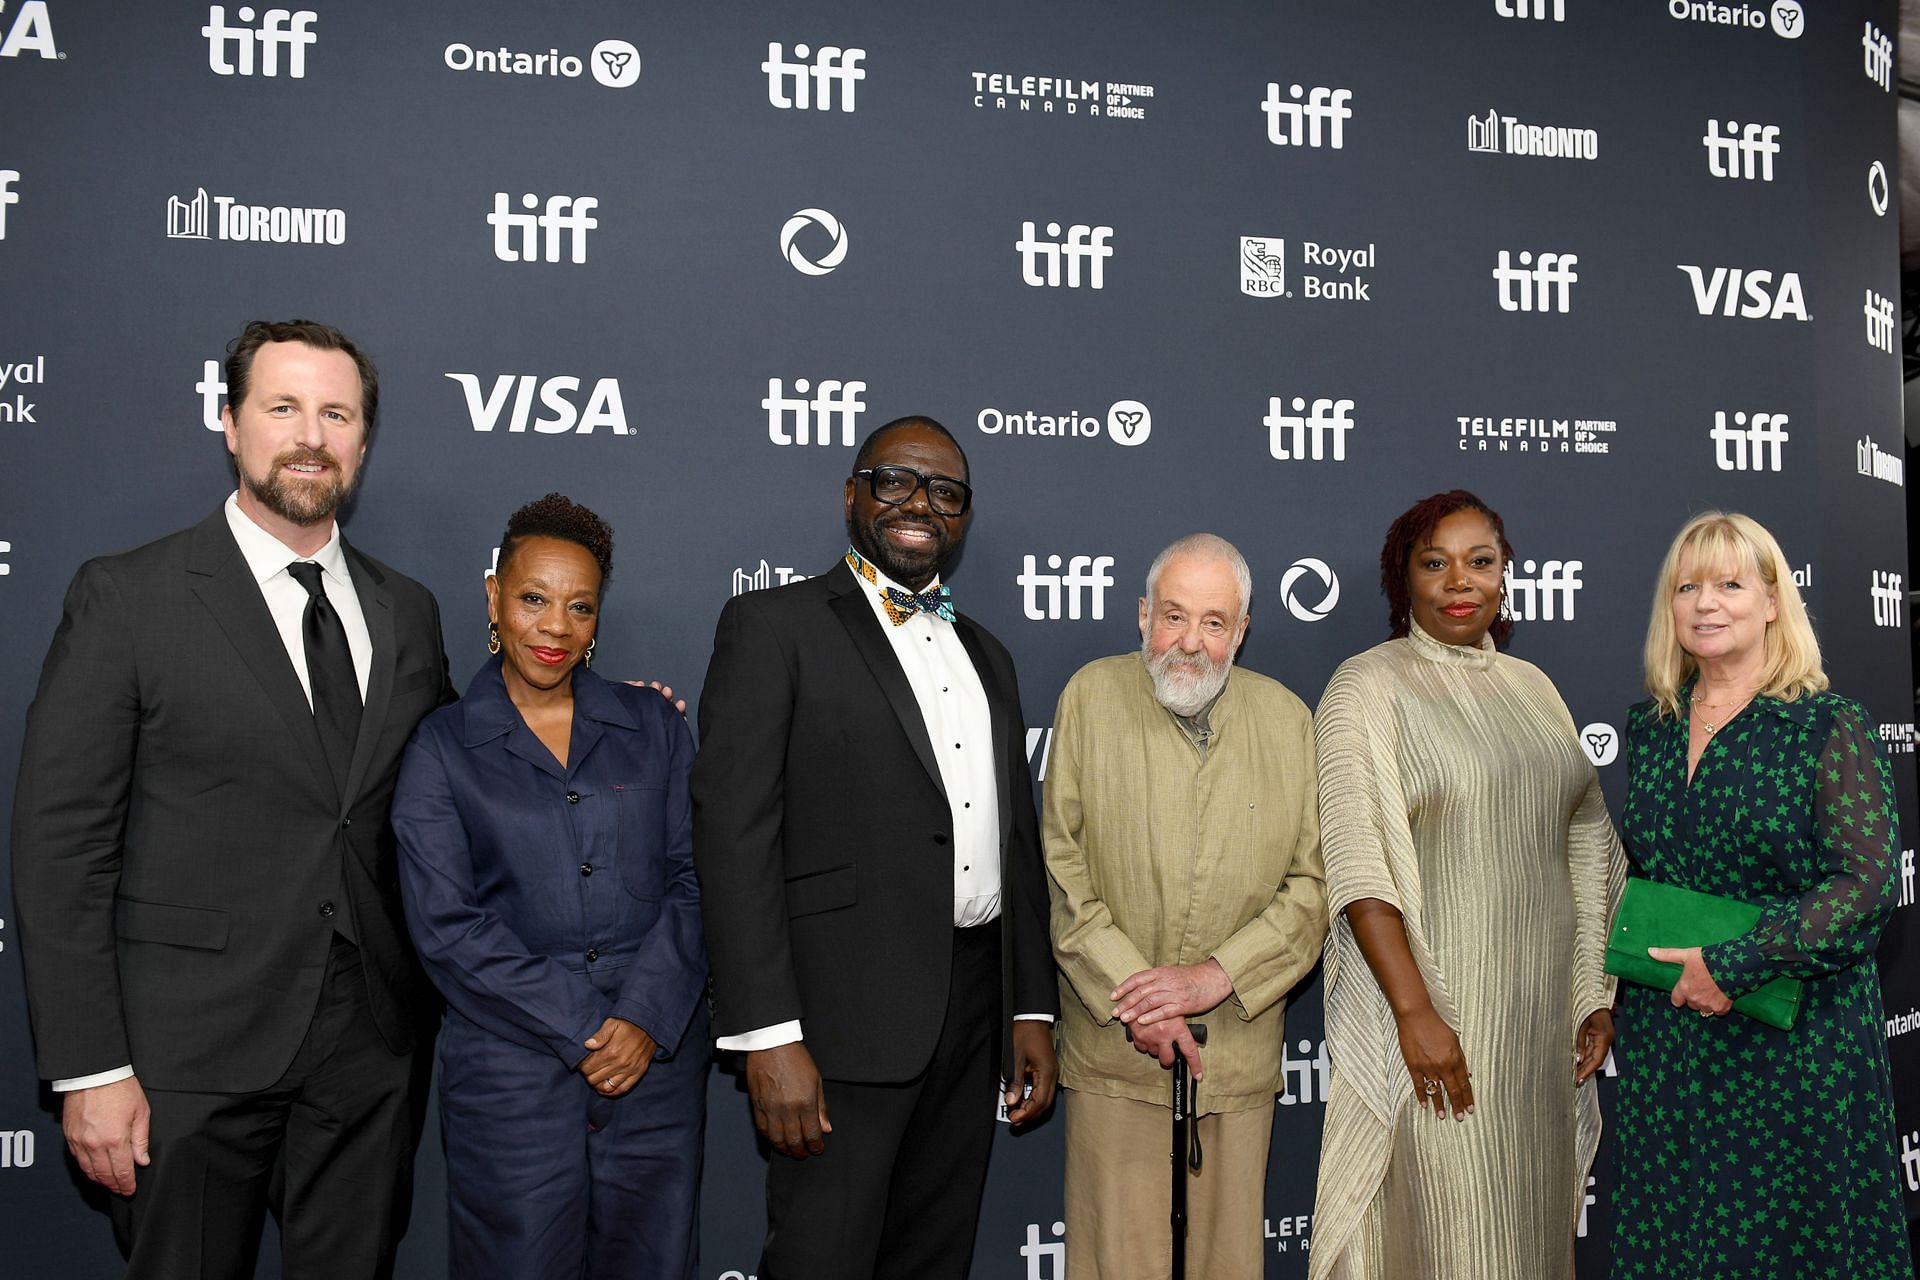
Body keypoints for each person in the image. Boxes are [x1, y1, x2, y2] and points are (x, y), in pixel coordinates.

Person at [10, 319, 452, 1277]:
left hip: (369, 1049)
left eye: (336, 413)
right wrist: (91, 1068)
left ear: (363, 443)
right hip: (185, 1055)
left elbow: (457, 776)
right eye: (282, 406)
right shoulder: (129, 597)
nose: (311, 434)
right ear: (228, 422)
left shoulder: (406, 609)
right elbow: (62, 845)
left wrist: (589, 726)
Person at [691, 415, 1058, 1280]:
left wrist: (1029, 1008)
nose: (920, 504)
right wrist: (766, 1034)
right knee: (823, 1259)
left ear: (964, 518)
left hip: (971, 1012)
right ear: (852, 494)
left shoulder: (990, 656)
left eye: (946, 491)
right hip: (832, 1021)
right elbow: (732, 837)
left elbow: (1016, 840)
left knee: (934, 1258)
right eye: (895, 480)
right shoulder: (772, 626)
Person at [1308, 489, 1623, 1280]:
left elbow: (1586, 839)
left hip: (1537, 1033)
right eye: (1435, 563)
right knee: (1452, 1240)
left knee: (1528, 1237)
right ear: (1402, 578)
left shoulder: (1532, 688)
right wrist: (1416, 1012)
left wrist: (1592, 991)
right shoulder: (1366, 687)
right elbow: (1358, 860)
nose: (1460, 581)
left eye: (1480, 562)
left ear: (1505, 575)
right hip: (1441, 1023)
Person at [392, 494, 706, 1280]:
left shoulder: (655, 726)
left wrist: (641, 1019)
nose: (555, 628)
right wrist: (587, 1030)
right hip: (511, 1077)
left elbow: (698, 882)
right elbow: (446, 928)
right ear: (493, 595)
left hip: (655, 1071)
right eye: (534, 599)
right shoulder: (441, 747)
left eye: (579, 608)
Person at [1609, 512, 1913, 1279]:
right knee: (1678, 1237)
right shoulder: (1647, 728)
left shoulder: (1826, 725)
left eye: (1730, 584)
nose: (1706, 603)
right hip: (1670, 1036)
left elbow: (1866, 885)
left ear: (1774, 602)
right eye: (1688, 587)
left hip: (1793, 1041)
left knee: (1786, 1247)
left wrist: (1733, 964)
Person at [1044, 533, 1327, 1279]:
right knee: (1114, 1262)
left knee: (1226, 1264)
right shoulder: (1090, 696)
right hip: (1115, 1052)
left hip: (1234, 1053)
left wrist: (1215, 976)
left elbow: (1313, 885)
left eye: (1212, 622)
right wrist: (1144, 999)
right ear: (1142, 617)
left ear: (1241, 632)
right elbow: (1059, 868)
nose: (1190, 643)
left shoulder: (1289, 720)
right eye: (1174, 616)